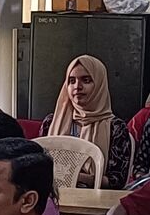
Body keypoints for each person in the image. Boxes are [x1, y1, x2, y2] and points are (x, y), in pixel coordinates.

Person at [46, 54, 133, 189]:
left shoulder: (115, 128)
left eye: (86, 80)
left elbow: (116, 181)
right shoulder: (51, 122)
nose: (77, 86)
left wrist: (75, 177)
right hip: (53, 196)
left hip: (95, 199)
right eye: (71, 81)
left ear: (100, 84)